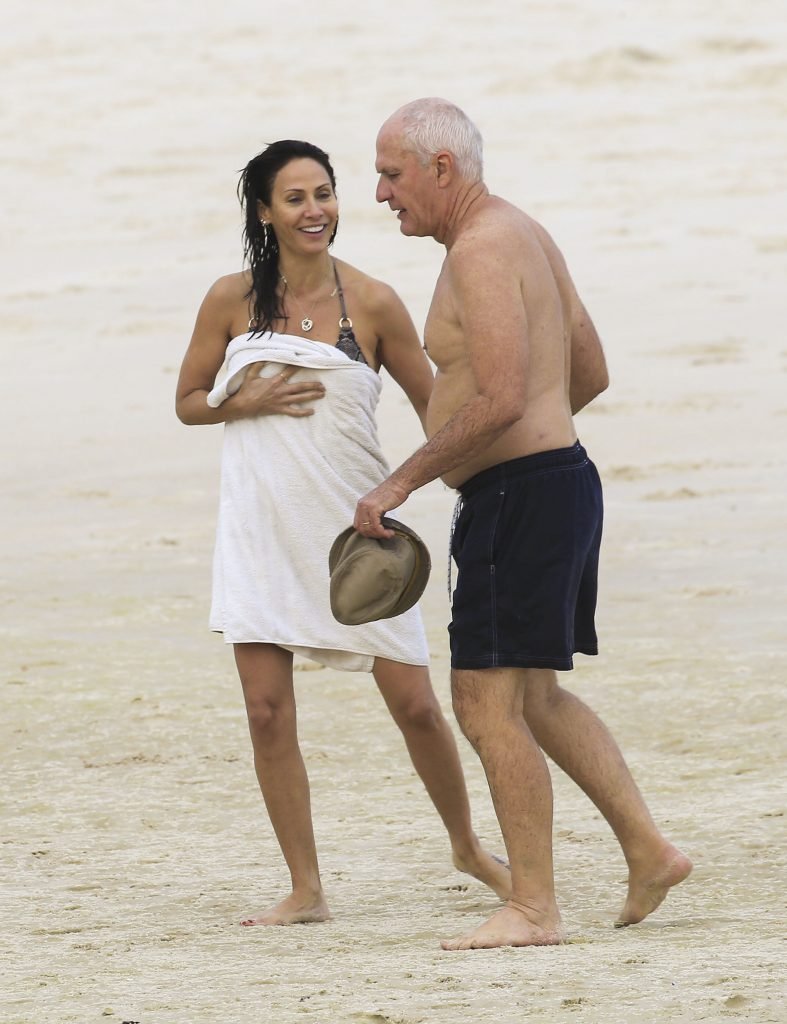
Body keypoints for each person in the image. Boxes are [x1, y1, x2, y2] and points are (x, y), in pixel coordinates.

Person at [355, 99, 693, 950]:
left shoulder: (478, 248)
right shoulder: (523, 232)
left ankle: (533, 907)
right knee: (534, 697)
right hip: (556, 483)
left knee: (484, 706)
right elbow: (589, 369)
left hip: (521, 497)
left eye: (391, 174)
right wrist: (541, 438)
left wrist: (402, 480)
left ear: (440, 168)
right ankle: (649, 851)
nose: (380, 193)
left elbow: (503, 397)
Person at [175, 139, 510, 927]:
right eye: (294, 198)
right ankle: (306, 888)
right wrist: (242, 404)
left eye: (323, 193)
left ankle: (467, 846)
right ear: (264, 211)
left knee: (417, 706)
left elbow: (437, 411)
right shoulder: (229, 300)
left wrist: (491, 474)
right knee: (266, 712)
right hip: (261, 529)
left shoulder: (374, 303)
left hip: (357, 532)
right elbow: (189, 400)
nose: (314, 210)